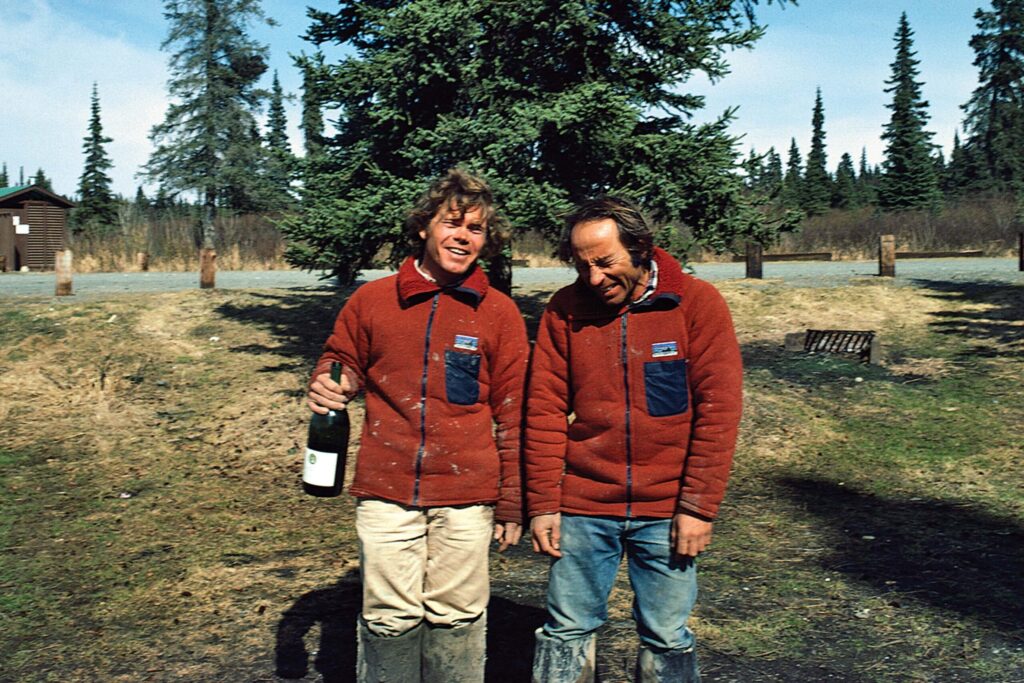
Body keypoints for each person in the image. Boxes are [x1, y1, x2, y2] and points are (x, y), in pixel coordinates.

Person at [307, 169, 528, 683]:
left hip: (468, 494)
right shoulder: (372, 301)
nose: (463, 236)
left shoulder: (499, 313)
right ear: (425, 227)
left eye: (475, 230)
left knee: (458, 615)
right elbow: (340, 360)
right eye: (452, 223)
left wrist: (514, 500)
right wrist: (329, 382)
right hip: (386, 490)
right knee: (389, 618)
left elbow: (516, 413)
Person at [524, 197, 743, 683]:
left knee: (667, 635)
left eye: (605, 262)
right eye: (582, 266)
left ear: (641, 248)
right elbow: (542, 411)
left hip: (667, 510)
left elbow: (719, 413)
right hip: (583, 506)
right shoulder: (565, 311)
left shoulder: (696, 305)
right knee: (566, 630)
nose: (594, 278)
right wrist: (542, 503)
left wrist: (698, 508)